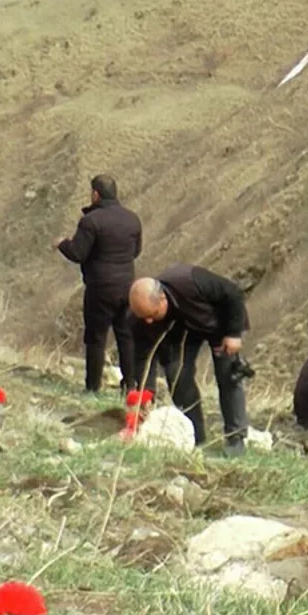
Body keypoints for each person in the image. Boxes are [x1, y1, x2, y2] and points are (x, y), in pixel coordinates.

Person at [128, 265, 251, 456]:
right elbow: (144, 357)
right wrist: (146, 392)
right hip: (181, 336)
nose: (149, 322)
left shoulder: (191, 281)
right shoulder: (140, 318)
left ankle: (236, 438)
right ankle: (195, 437)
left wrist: (233, 333)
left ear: (162, 299)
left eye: (152, 315)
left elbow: (232, 293)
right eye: (144, 317)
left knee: (228, 375)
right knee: (176, 376)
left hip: (217, 324)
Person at [53, 174, 142, 393]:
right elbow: (136, 251)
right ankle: (130, 385)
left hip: (101, 288)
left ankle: (93, 388)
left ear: (95, 194)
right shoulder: (132, 219)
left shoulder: (91, 221)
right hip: (127, 287)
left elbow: (78, 253)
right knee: (125, 335)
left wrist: (62, 243)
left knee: (96, 337)